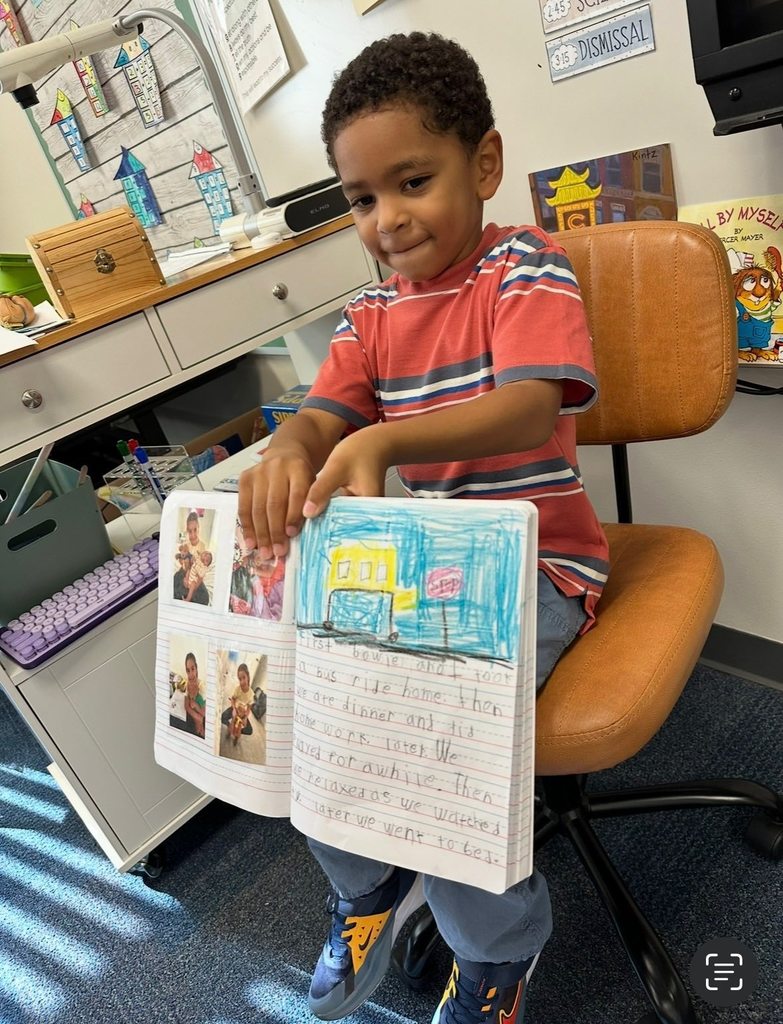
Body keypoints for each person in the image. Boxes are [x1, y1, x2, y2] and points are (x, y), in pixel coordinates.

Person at [237, 31, 609, 1024]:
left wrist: (389, 440)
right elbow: (325, 414)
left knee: (447, 736)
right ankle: (364, 888)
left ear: (483, 164)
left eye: (413, 181)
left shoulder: (526, 267)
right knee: (302, 689)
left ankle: (495, 951)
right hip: (416, 572)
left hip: (539, 565)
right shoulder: (368, 317)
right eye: (362, 199)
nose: (388, 218)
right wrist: (294, 446)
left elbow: (532, 406)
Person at [173, 511, 212, 605]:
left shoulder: (202, 546)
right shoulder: (186, 545)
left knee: (204, 598)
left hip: (194, 576)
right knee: (175, 584)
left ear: (199, 528)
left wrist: (194, 586)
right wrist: (185, 577)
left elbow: (201, 571)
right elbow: (182, 559)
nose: (193, 535)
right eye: (190, 531)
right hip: (184, 573)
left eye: (195, 530)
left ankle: (188, 597)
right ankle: (184, 597)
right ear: (187, 530)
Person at [220, 662, 255, 742]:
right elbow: (233, 699)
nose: (242, 681)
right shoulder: (237, 689)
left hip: (242, 714)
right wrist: (233, 709)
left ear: (248, 677)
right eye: (240, 679)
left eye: (244, 678)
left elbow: (249, 707)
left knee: (249, 730)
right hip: (235, 709)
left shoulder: (251, 693)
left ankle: (237, 733)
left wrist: (245, 718)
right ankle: (230, 728)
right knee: (222, 717)